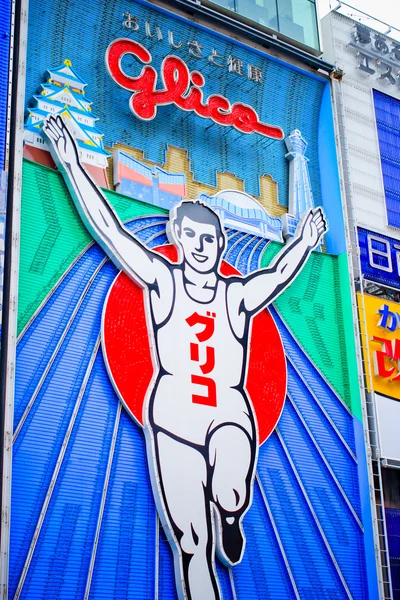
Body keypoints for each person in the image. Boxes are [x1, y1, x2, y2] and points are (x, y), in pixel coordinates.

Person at [43, 115, 327, 600]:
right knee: (192, 542)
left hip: (228, 411)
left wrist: (302, 242)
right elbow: (110, 231)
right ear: (178, 238)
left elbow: (276, 276)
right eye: (192, 237)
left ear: (220, 245)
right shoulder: (162, 279)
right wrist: (71, 163)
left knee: (232, 489)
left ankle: (233, 514)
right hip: (173, 415)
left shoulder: (236, 295)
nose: (201, 247)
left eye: (209, 239)